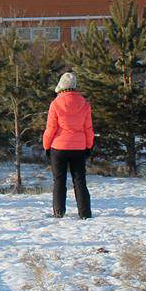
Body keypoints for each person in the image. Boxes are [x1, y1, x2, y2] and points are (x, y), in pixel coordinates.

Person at [42, 72, 94, 219]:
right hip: (79, 148)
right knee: (79, 180)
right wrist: (89, 146)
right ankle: (84, 212)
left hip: (58, 147)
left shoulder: (55, 104)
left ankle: (59, 212)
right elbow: (88, 128)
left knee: (59, 180)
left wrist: (46, 146)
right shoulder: (84, 104)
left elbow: (50, 129)